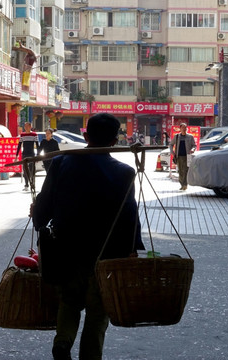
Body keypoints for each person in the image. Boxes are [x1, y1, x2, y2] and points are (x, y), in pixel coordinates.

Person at [31, 113, 144, 360]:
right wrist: (132, 249)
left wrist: (38, 216)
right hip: (105, 255)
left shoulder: (62, 163)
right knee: (97, 312)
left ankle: (62, 343)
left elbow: (46, 200)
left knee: (69, 302)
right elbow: (129, 215)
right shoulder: (124, 172)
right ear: (115, 141)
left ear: (85, 136)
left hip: (66, 250)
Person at [169, 123, 196, 191]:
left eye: (185, 127)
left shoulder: (190, 136)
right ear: (180, 129)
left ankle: (185, 184)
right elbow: (171, 144)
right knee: (181, 171)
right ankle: (182, 184)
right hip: (179, 156)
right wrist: (172, 152)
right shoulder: (177, 136)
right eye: (183, 128)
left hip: (188, 156)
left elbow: (194, 145)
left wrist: (192, 149)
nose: (184, 129)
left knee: (187, 170)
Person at [16, 122, 38, 191]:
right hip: (24, 154)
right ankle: (26, 185)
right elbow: (19, 145)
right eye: (25, 126)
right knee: (25, 170)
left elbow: (37, 145)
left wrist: (38, 155)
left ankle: (32, 183)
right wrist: (16, 155)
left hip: (32, 154)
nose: (25, 128)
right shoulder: (22, 135)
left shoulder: (34, 134)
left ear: (30, 126)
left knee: (32, 169)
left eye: (27, 126)